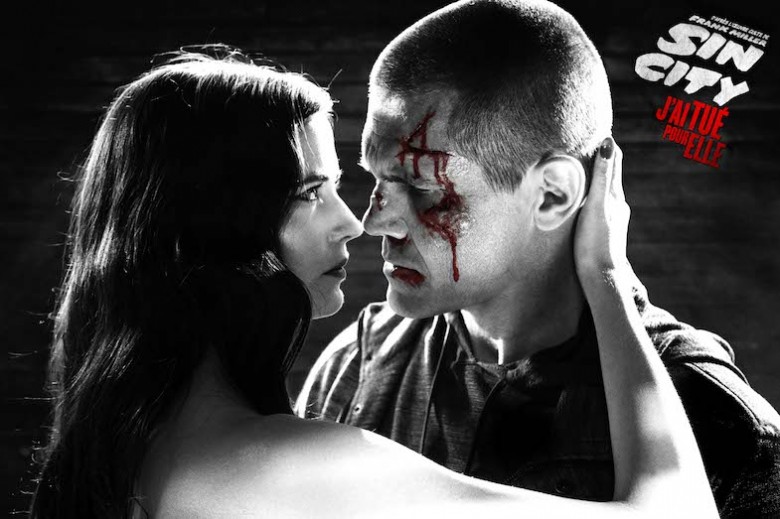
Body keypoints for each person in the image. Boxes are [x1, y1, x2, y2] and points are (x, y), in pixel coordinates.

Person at [28, 45, 719, 519]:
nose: (354, 222)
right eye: (310, 192)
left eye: (419, 187)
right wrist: (606, 273)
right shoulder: (300, 466)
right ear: (218, 222)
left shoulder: (125, 450)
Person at [295, 0, 780, 517]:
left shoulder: (711, 420)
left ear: (551, 195)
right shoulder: (361, 363)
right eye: (375, 179)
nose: (374, 221)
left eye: (422, 186)